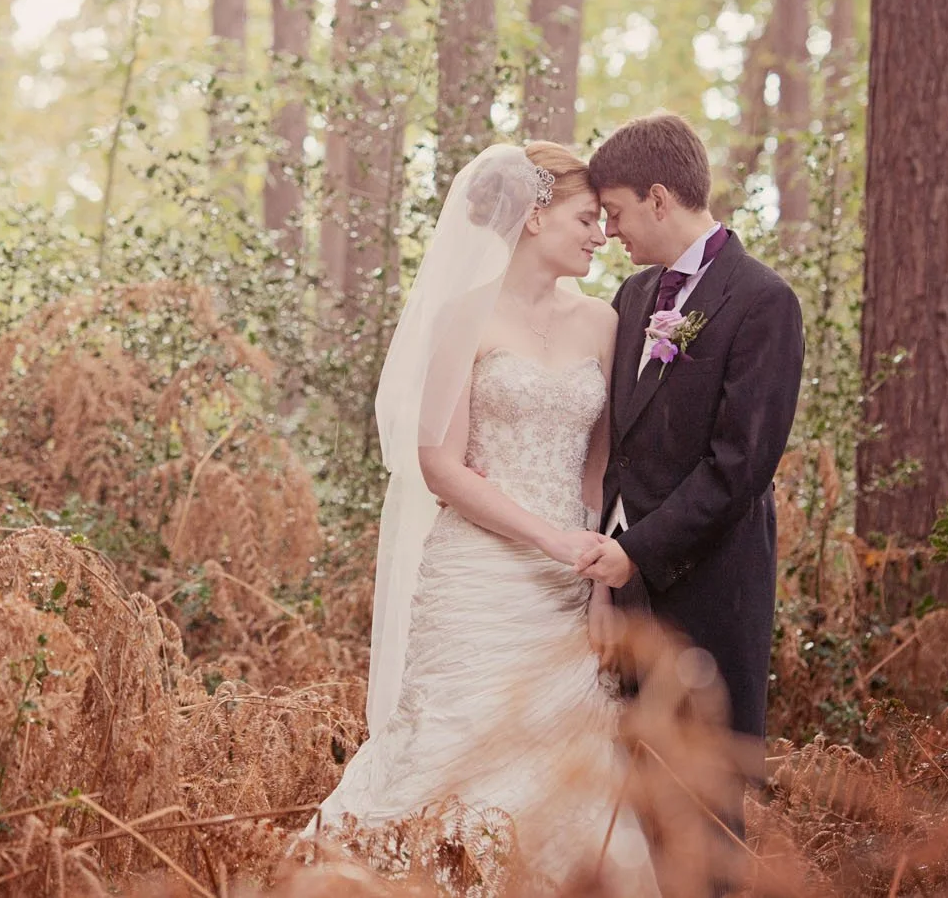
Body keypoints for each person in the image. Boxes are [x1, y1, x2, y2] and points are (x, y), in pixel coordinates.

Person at [309, 141, 657, 892]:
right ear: (534, 215)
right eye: (586, 217)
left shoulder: (603, 322)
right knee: (451, 752)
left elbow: (600, 466)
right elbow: (438, 462)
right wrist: (547, 536)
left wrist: (596, 570)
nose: (602, 234)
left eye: (604, 220)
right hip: (478, 577)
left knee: (570, 769)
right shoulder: (462, 315)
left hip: (568, 586)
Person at [573, 112, 804, 781]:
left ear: (658, 198)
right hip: (623, 587)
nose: (609, 231)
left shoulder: (764, 301)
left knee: (706, 793)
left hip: (709, 588)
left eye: (615, 213)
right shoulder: (634, 293)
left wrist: (632, 551)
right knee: (632, 786)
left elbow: (740, 467)